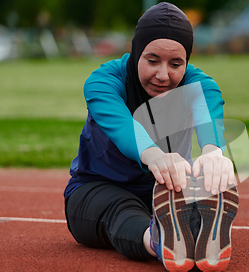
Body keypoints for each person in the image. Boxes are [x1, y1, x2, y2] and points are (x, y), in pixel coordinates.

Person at [63, 3, 239, 272]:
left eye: (176, 64)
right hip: (97, 188)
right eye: (152, 60)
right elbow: (123, 127)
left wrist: (213, 152)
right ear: (136, 52)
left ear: (187, 62)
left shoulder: (198, 85)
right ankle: (157, 239)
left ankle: (194, 229)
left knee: (183, 198)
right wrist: (155, 155)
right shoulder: (104, 82)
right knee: (120, 212)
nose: (163, 75)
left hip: (167, 188)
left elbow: (209, 114)